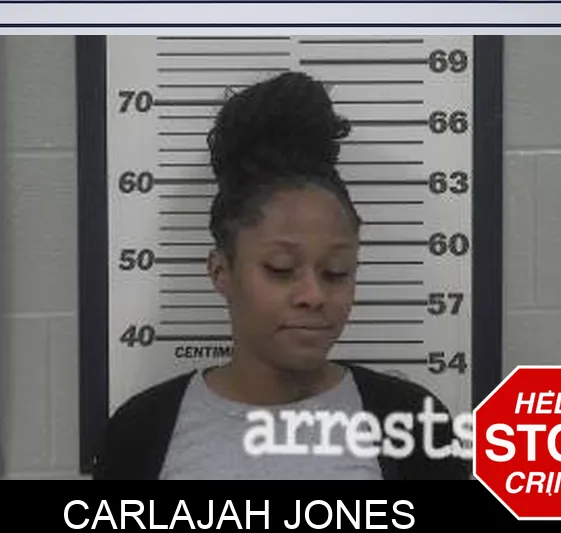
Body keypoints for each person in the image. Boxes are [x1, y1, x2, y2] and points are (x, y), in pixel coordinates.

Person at [93, 71, 471, 480]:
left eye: (336, 272)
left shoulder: (412, 424)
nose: (314, 295)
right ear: (221, 271)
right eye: (281, 269)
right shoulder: (141, 433)